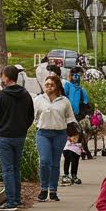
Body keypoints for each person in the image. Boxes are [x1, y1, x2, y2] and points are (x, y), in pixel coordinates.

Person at [0, 64, 35, 211]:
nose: (1, 78)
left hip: (5, 135)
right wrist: (22, 128)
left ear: (6, 77)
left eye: (2, 75)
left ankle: (11, 202)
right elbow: (30, 116)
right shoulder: (26, 95)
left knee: (8, 169)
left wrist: (1, 128)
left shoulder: (1, 96)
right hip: (20, 135)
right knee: (16, 168)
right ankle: (16, 198)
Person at [33, 73, 76, 202]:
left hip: (59, 134)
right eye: (46, 85)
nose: (49, 87)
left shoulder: (64, 101)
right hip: (43, 134)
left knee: (55, 163)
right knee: (45, 161)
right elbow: (33, 116)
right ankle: (43, 188)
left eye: (52, 85)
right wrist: (37, 124)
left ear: (57, 86)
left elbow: (70, 118)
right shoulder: (39, 99)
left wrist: (73, 134)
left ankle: (53, 190)